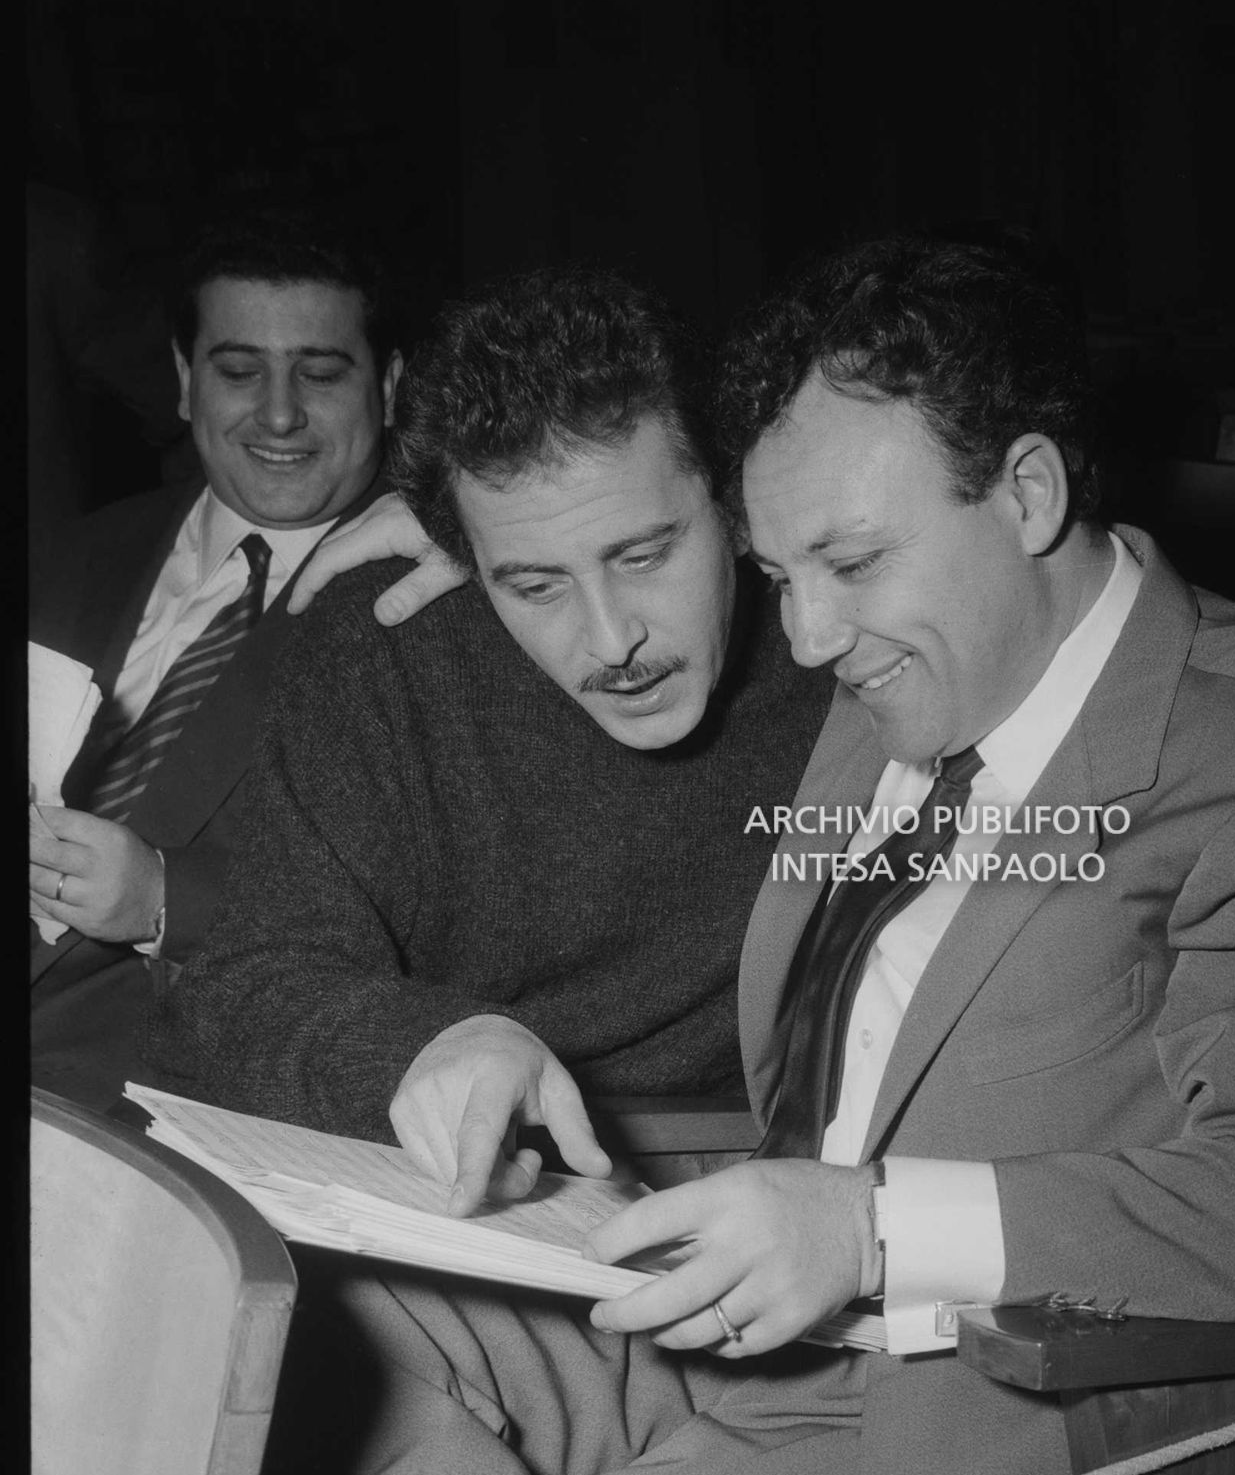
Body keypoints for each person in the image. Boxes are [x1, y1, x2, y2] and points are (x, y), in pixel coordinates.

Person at [221, 233, 1235, 1475]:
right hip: (761, 1326)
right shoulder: (900, 685)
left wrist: (869, 1224)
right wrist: (474, 555)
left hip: (991, 1435)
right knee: (333, 1361)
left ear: (1027, 493)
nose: (805, 635)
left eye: (850, 563)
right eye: (774, 575)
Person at [150, 262, 832, 1170]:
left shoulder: (842, 633)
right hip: (454, 1174)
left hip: (761, 1170)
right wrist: (427, 1045)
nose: (610, 639)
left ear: (735, 504)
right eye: (535, 583)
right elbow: (246, 983)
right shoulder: (390, 638)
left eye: (642, 557)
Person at [29, 209, 401, 1112]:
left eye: (321, 373)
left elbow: (422, 901)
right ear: (184, 382)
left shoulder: (438, 591)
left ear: (389, 388)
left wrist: (165, 897)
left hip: (153, 1121)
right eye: (239, 371)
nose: (279, 413)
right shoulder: (73, 556)